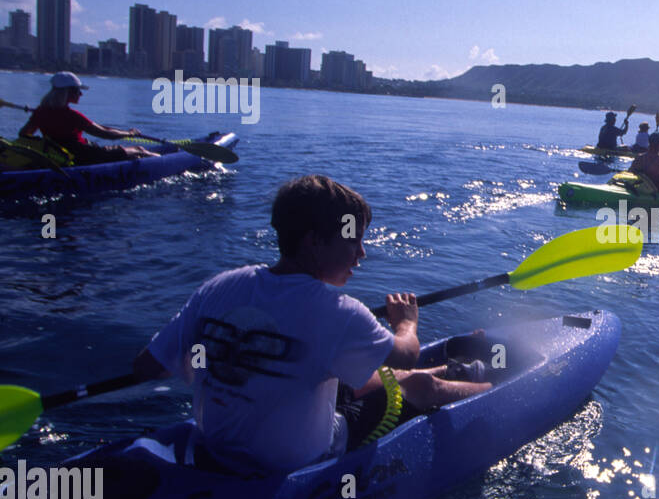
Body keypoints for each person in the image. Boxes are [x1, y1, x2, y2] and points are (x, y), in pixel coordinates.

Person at [131, 175, 492, 476]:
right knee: (417, 383)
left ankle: (455, 367)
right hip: (297, 461)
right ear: (314, 241)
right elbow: (407, 357)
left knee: (341, 377)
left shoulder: (219, 287)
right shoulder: (339, 311)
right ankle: (495, 386)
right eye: (353, 240)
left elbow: (149, 366)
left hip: (216, 447)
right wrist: (406, 323)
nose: (361, 253)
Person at [18, 72, 157, 163]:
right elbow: (106, 134)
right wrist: (130, 133)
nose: (81, 95)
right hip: (86, 156)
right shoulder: (72, 116)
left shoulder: (40, 113)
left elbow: (24, 134)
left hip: (60, 155)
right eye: (78, 91)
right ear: (69, 92)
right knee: (139, 149)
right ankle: (170, 165)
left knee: (133, 153)